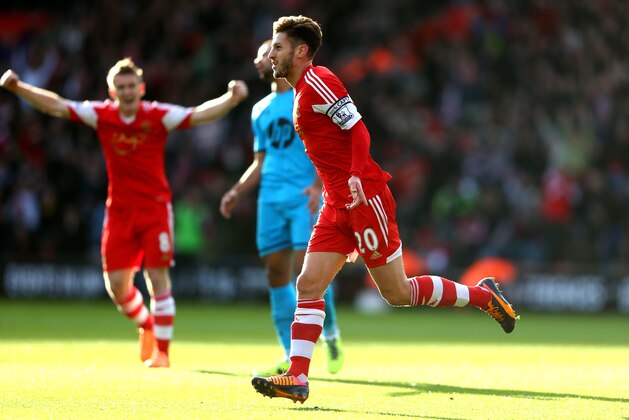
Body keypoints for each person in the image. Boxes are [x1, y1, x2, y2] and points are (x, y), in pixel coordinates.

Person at [251, 15, 518, 403]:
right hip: (335, 204)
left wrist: (357, 176)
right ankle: (297, 377)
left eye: (277, 46)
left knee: (397, 293)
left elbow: (358, 130)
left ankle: (482, 296)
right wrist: (322, 187)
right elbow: (328, 149)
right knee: (308, 284)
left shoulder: (319, 80)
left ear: (300, 51)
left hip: (365, 199)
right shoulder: (297, 93)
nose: (271, 53)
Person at [1, 58, 249, 368]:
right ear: (112, 91)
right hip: (118, 211)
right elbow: (58, 106)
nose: (128, 91)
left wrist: (232, 98)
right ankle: (146, 323)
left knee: (157, 277)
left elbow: (197, 115)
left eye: (132, 86)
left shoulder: (157, 116)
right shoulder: (103, 115)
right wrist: (18, 87)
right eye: (121, 87)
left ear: (141, 88)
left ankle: (162, 352)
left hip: (155, 209)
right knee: (117, 285)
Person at [220, 40, 344, 376]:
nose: (259, 60)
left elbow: (326, 146)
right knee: (276, 273)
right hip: (270, 200)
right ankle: (290, 353)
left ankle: (331, 336)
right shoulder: (259, 109)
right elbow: (260, 162)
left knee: (309, 272)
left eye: (264, 54)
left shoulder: (305, 96)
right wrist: (236, 191)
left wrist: (319, 185)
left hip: (303, 195)